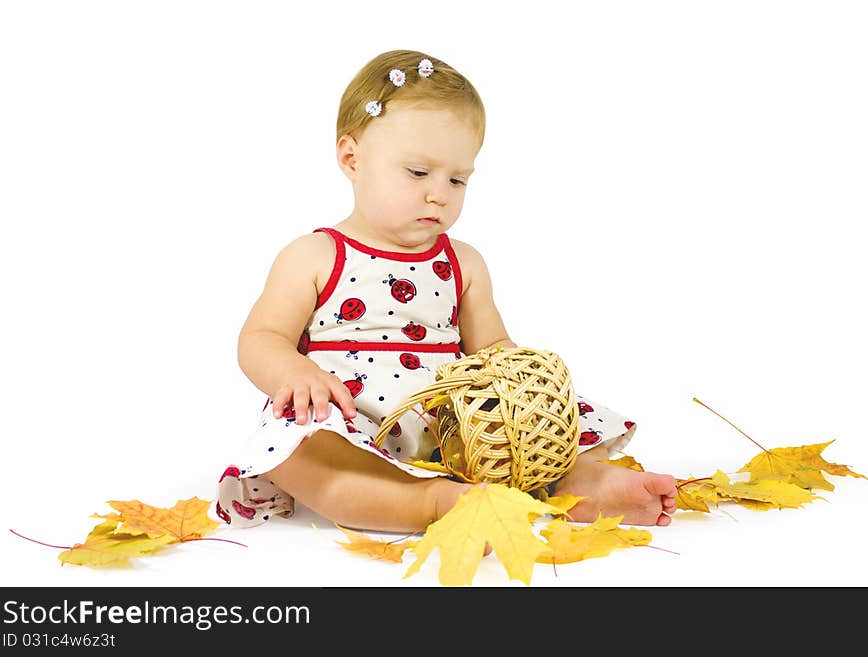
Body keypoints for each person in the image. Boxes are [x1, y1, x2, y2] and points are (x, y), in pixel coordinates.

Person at [214, 49, 677, 534]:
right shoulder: (314, 255)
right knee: (301, 457)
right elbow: (261, 337)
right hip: (352, 420)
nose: (440, 193)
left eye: (458, 179)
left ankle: (579, 484)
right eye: (418, 173)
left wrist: (525, 390)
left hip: (454, 421)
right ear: (352, 158)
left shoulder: (464, 262)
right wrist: (294, 372)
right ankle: (435, 503)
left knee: (547, 432)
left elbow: (493, 348)